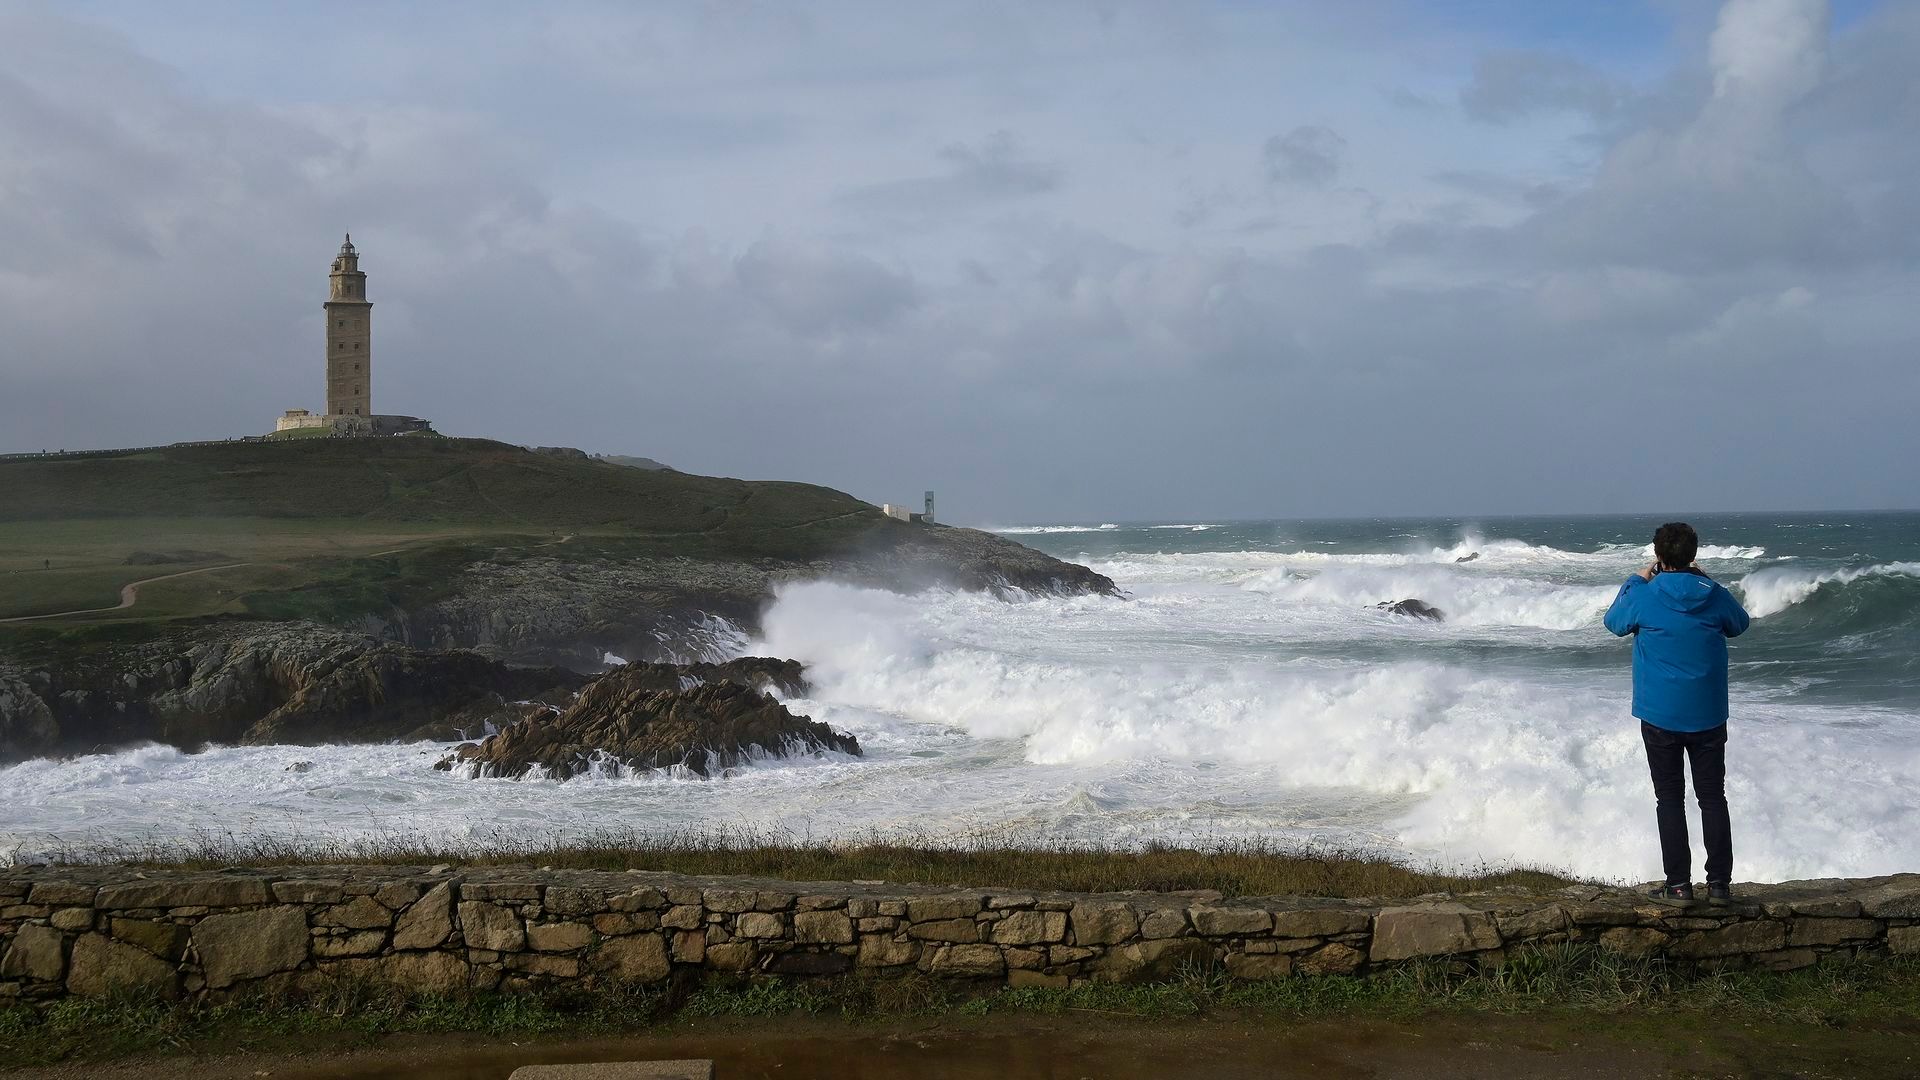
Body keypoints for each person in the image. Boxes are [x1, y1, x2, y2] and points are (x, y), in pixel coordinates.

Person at [1604, 521, 1751, 906]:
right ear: (1694, 555)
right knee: (1712, 797)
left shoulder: (1645, 593)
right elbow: (1740, 624)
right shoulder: (1713, 594)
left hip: (1660, 715)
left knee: (1669, 799)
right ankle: (1719, 885)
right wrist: (1705, 581)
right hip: (1708, 714)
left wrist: (1635, 580)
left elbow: (1614, 623)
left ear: (1657, 556)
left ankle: (1679, 886)